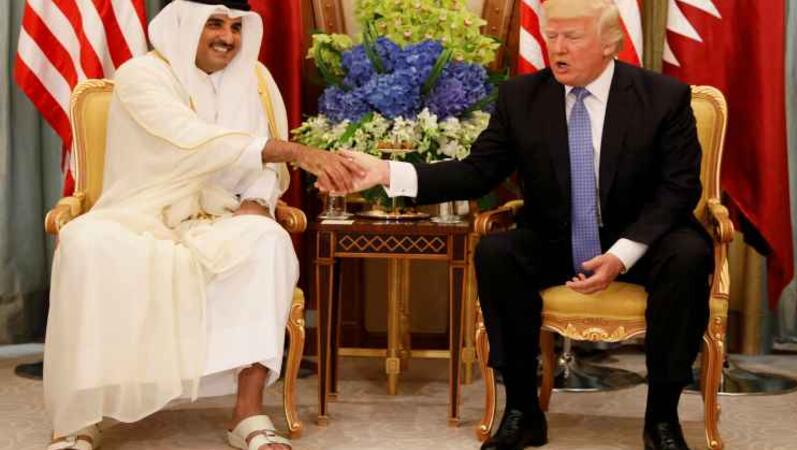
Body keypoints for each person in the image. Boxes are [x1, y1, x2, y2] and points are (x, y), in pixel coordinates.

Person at [342, 1, 711, 449]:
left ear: (610, 44)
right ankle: (522, 411)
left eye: (572, 37)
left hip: (639, 241)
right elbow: (477, 172)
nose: (558, 48)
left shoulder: (662, 97)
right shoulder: (522, 97)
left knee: (688, 254)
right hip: (555, 239)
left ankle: (662, 420)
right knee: (497, 252)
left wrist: (621, 255)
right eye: (551, 36)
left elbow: (679, 188)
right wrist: (386, 173)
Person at [44, 1, 362, 449]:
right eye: (214, 24)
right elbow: (192, 140)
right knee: (86, 242)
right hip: (139, 213)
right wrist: (294, 151)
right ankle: (80, 418)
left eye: (236, 27)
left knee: (267, 240)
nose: (227, 38)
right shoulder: (141, 75)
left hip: (219, 215)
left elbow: (265, 170)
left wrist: (257, 200)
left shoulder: (251, 79)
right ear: (184, 24)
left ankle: (248, 413)